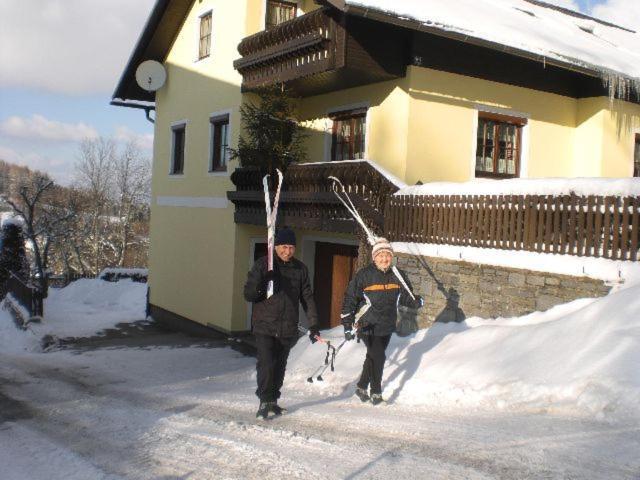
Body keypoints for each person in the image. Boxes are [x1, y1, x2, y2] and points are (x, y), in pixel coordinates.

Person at [244, 227, 319, 419]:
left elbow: (307, 297)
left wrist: (313, 324)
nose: (288, 251)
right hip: (265, 326)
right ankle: (264, 401)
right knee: (267, 364)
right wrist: (263, 282)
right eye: (284, 246)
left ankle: (273, 401)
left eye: (291, 247)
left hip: (287, 327)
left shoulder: (300, 269)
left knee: (279, 366)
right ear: (276, 247)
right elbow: (249, 294)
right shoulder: (263, 265)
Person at [341, 238, 423, 405]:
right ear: (374, 257)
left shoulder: (397, 275)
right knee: (378, 356)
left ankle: (361, 386)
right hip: (367, 324)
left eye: (387, 255)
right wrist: (347, 323)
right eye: (381, 255)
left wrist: (415, 301)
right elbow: (350, 298)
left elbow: (406, 296)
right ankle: (376, 392)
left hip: (387, 324)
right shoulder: (364, 275)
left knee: (373, 356)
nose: (384, 259)